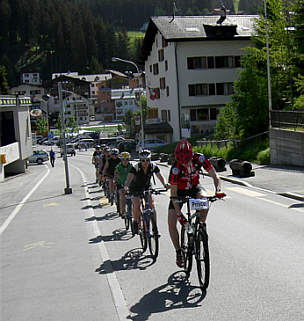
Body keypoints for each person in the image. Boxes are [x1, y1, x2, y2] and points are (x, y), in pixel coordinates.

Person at [168, 139, 224, 267]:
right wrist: (179, 215)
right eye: (182, 162)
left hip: (194, 187)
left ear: (191, 155)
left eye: (187, 161)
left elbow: (215, 176)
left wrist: (218, 190)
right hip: (179, 193)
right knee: (171, 222)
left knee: (204, 200)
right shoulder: (175, 169)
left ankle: (201, 226)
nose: (185, 164)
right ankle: (178, 252)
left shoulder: (199, 158)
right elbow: (173, 194)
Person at [124, 149, 168, 234]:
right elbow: (129, 178)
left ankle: (154, 226)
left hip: (147, 187)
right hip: (135, 188)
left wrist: (165, 184)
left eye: (147, 160)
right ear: (140, 160)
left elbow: (160, 176)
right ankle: (136, 222)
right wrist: (126, 186)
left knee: (151, 205)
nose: (145, 162)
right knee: (137, 204)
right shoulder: (135, 167)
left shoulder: (153, 166)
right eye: (143, 160)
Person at [114, 152, 133, 217]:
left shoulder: (131, 166)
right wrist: (115, 181)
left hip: (130, 184)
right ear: (121, 160)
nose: (125, 161)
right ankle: (123, 211)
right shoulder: (118, 167)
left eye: (127, 159)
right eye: (123, 159)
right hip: (121, 184)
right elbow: (116, 175)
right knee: (122, 196)